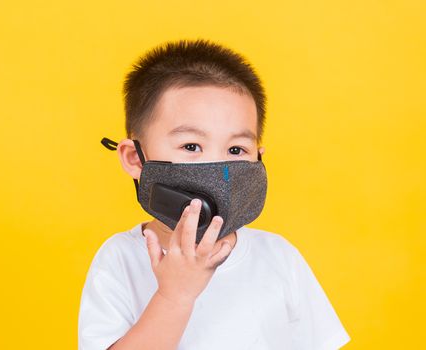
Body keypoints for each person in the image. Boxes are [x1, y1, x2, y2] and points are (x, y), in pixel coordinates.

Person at [78, 39, 351, 350]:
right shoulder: (120, 260)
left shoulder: (278, 257)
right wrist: (174, 296)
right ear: (136, 159)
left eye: (236, 150)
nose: (217, 168)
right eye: (191, 146)